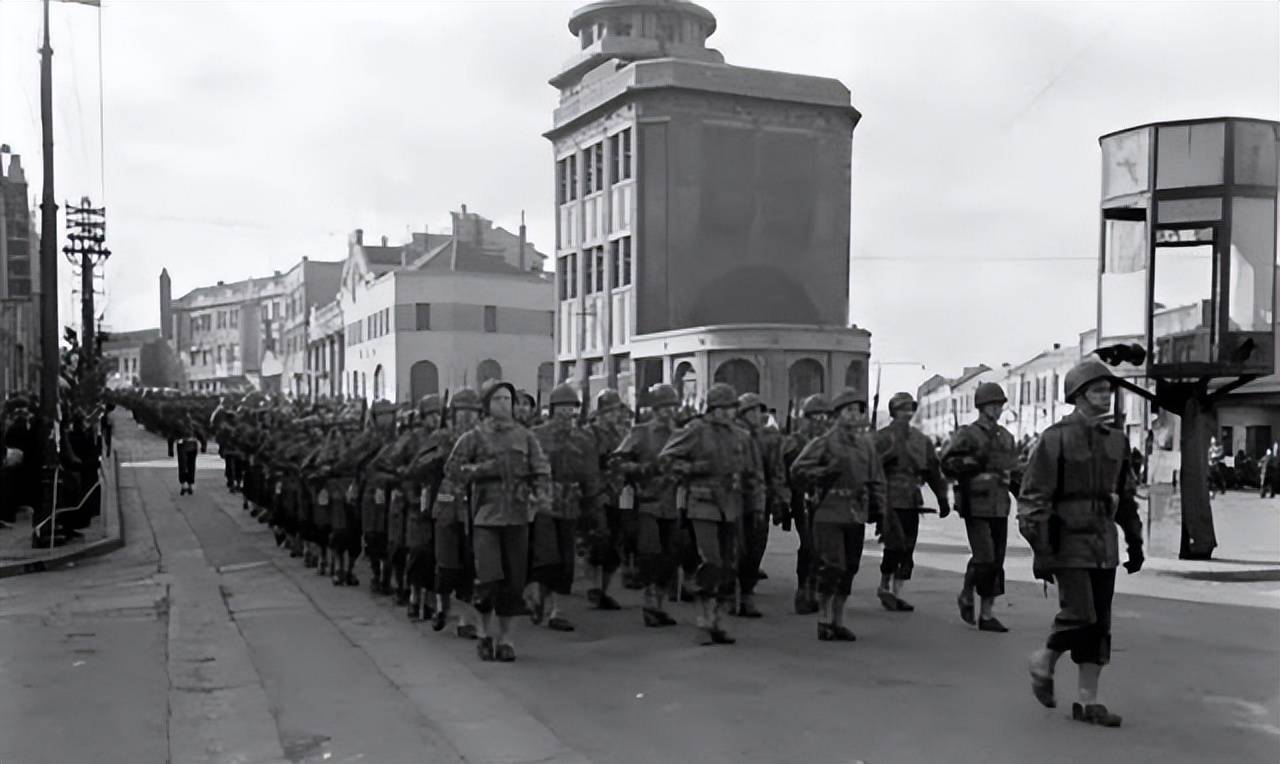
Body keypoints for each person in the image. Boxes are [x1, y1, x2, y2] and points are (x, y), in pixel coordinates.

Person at [1018, 358, 1143, 728]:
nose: (1106, 396)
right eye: (1097, 390)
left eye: (1108, 390)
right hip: (1066, 539)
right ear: (1078, 395)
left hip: (1104, 542)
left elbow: (1126, 495)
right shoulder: (1055, 439)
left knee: (1099, 624)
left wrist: (1134, 541)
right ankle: (1044, 658)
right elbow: (1033, 498)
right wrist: (1041, 548)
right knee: (1080, 613)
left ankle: (1089, 701)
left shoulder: (1117, 440)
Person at [445, 380, 550, 663]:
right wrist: (485, 469)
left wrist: (539, 494)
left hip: (517, 516)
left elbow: (541, 470)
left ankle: (506, 639)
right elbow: (453, 470)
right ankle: (483, 633)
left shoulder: (526, 437)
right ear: (487, 404)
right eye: (498, 399)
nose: (505, 404)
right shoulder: (474, 437)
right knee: (488, 580)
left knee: (513, 583)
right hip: (485, 516)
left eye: (508, 399)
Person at [659, 382, 762, 645]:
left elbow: (752, 472)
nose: (728, 413)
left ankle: (717, 620)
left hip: (731, 504)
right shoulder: (695, 430)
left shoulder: (741, 436)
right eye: (723, 408)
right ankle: (703, 621)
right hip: (702, 502)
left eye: (731, 408)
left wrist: (757, 503)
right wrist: (694, 468)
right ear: (712, 408)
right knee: (711, 561)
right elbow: (667, 459)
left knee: (728, 565)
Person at [790, 388, 886, 642]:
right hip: (828, 510)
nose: (854, 415)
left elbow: (877, 480)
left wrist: (881, 511)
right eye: (848, 410)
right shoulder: (823, 443)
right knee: (833, 566)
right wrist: (823, 473)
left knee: (850, 568)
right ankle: (824, 618)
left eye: (858, 411)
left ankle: (838, 620)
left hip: (855, 512)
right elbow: (798, 470)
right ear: (837, 414)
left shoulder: (866, 446)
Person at [941, 381, 1020, 633]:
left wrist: (1026, 500)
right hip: (975, 503)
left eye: (999, 404)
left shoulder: (1006, 437)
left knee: (995, 560)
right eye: (992, 404)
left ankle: (986, 613)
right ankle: (968, 594)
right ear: (981, 406)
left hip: (1000, 504)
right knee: (984, 556)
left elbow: (1015, 471)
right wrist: (972, 462)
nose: (997, 409)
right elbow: (947, 463)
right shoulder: (967, 434)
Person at [529, 384, 600, 632]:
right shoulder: (536, 435)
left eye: (570, 408)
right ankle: (538, 597)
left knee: (566, 560)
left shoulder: (584, 438)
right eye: (561, 407)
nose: (566, 412)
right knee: (545, 556)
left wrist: (592, 505)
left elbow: (591, 474)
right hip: (543, 503)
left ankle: (557, 610)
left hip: (570, 503)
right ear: (552, 409)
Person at [873, 392, 951, 612]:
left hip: (911, 499)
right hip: (888, 499)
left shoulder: (921, 440)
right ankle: (884, 586)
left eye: (910, 409)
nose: (907, 414)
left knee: (908, 548)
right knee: (893, 545)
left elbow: (933, 471)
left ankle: (896, 593)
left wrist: (942, 497)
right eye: (902, 409)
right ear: (893, 412)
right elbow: (869, 468)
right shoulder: (880, 438)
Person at [613, 383, 682, 627]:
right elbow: (618, 462)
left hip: (673, 502)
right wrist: (643, 469)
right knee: (650, 554)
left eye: (672, 406)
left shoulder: (681, 434)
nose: (669, 411)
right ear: (654, 409)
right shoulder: (640, 433)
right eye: (664, 407)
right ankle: (650, 604)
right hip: (647, 502)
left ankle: (660, 604)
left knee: (670, 557)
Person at [734, 393, 786, 618]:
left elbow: (776, 470)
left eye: (759, 410)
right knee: (736, 549)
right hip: (735, 499)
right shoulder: (734, 436)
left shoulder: (768, 438)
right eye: (752, 411)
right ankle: (734, 594)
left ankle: (746, 594)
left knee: (756, 547)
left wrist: (779, 498)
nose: (757, 415)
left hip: (759, 499)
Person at [782, 394, 830, 615]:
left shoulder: (827, 442)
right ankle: (803, 590)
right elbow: (786, 472)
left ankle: (815, 587)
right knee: (809, 545)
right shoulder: (794, 441)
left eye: (824, 417)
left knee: (822, 548)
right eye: (816, 417)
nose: (820, 421)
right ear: (806, 418)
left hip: (824, 499)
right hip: (802, 498)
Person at [175, 423, 200, 495]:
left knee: (188, 466)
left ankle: (188, 485)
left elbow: (200, 432)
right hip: (186, 446)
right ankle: (186, 485)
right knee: (185, 466)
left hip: (188, 446)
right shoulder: (192, 422)